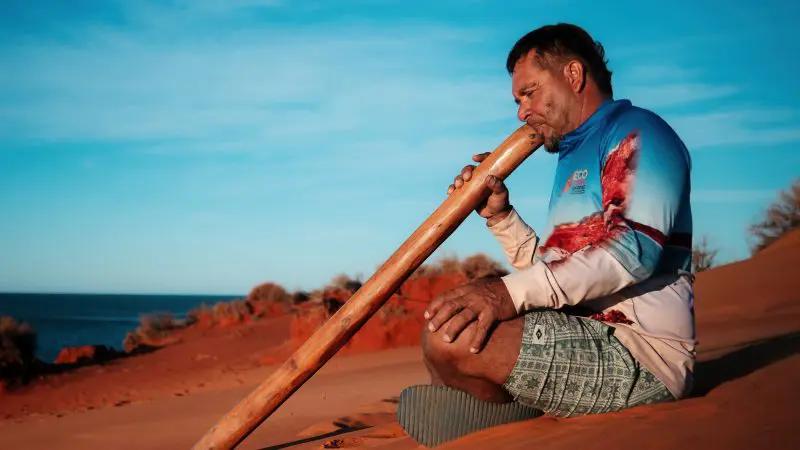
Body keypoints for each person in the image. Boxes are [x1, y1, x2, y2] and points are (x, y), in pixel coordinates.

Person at [419, 23, 696, 421]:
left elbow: (633, 252)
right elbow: (558, 274)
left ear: (573, 74)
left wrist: (503, 294)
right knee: (446, 319)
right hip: (581, 332)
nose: (521, 112)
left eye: (529, 93)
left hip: (642, 356)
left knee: (451, 340)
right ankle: (499, 409)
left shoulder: (638, 132)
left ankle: (512, 415)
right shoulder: (572, 155)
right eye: (517, 100)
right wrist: (500, 218)